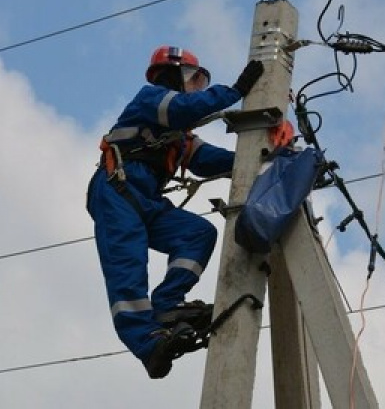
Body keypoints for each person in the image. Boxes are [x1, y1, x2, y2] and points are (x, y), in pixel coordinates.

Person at [86, 45, 264, 378]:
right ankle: (147, 344)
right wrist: (234, 92)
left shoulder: (179, 137)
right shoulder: (151, 99)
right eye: (194, 79)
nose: (197, 86)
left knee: (197, 233)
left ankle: (167, 305)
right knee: (128, 266)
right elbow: (186, 108)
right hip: (116, 191)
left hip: (146, 199)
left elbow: (209, 160)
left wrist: (261, 159)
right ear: (173, 75)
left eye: (201, 82)